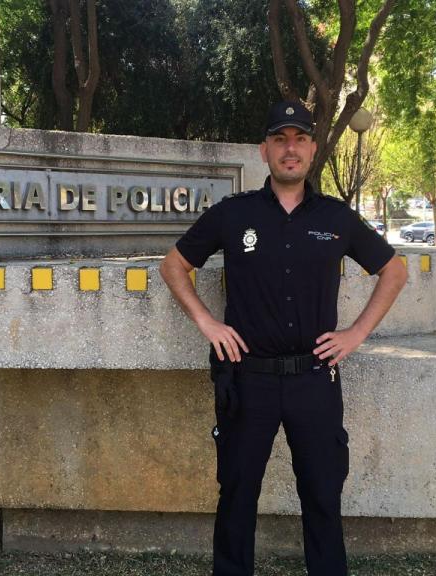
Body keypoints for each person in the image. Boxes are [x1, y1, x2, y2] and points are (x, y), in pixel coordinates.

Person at [159, 101, 408, 576]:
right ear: (264, 151)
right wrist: (207, 324)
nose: (289, 149)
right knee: (236, 497)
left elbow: (394, 271)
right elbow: (174, 266)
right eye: (279, 139)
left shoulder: (337, 218)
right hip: (247, 381)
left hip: (314, 381)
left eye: (299, 139)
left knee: (322, 496)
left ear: (313, 149)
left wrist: (356, 333)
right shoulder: (234, 215)